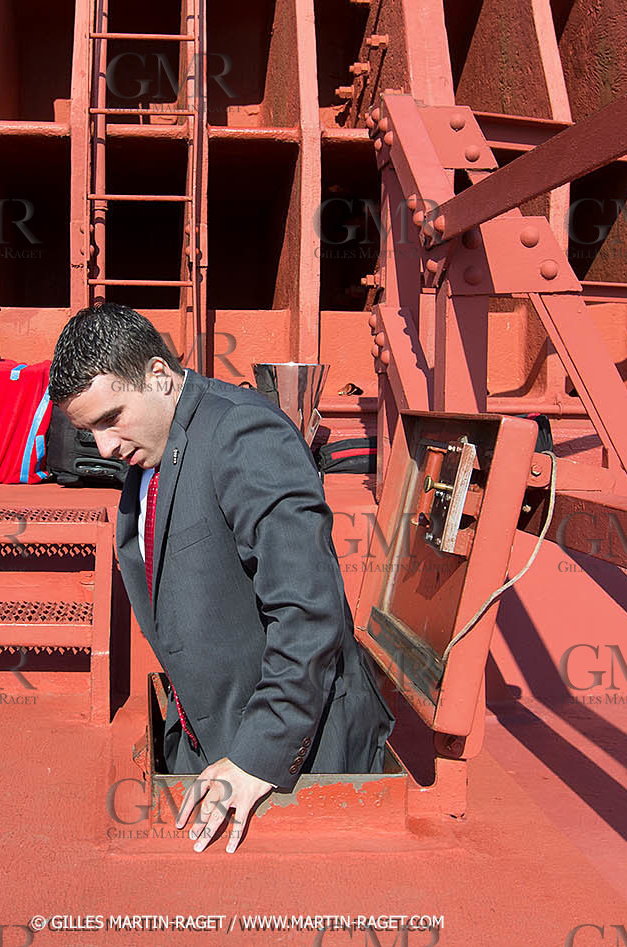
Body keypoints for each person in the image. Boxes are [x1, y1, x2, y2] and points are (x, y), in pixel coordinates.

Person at [48, 302, 395, 854]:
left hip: (296, 755)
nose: (106, 447)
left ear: (159, 377)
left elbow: (309, 609)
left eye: (111, 418)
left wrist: (258, 755)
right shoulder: (157, 445)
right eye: (90, 430)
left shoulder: (243, 432)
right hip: (208, 735)